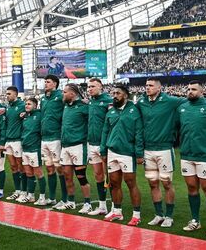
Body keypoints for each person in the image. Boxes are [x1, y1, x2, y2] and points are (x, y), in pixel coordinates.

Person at [135, 78, 186, 228]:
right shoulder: (141, 102)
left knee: (167, 183)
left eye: (150, 86)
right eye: (146, 85)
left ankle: (169, 216)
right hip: (147, 149)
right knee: (152, 183)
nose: (147, 88)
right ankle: (159, 214)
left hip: (164, 148)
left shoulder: (170, 101)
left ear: (159, 88)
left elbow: (188, 101)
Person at [179, 80, 206, 236]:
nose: (190, 91)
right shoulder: (182, 108)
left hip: (205, 155)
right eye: (188, 89)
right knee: (191, 188)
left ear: (201, 91)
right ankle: (195, 220)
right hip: (186, 154)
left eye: (194, 89)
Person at [101, 85, 144, 226]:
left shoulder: (134, 111)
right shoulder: (110, 112)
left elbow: (138, 133)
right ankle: (117, 212)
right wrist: (103, 150)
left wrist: (139, 153)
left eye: (118, 93)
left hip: (127, 152)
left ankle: (136, 215)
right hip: (112, 151)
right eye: (113, 93)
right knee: (114, 183)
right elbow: (105, 132)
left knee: (131, 183)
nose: (114, 95)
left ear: (125, 95)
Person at [55, 83, 91, 211]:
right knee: (67, 175)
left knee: (81, 176)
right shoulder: (66, 106)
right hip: (65, 146)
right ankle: (71, 201)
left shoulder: (84, 107)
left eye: (65, 92)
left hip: (78, 145)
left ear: (73, 94)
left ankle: (88, 204)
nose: (62, 94)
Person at [83, 78, 112, 215]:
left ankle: (115, 207)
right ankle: (102, 206)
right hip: (91, 143)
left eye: (93, 86)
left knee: (109, 176)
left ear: (101, 87)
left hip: (104, 143)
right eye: (88, 87)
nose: (90, 89)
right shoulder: (90, 102)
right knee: (98, 175)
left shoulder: (108, 100)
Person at [38, 75, 65, 206]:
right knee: (49, 168)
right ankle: (53, 197)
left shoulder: (60, 96)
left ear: (55, 84)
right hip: (44, 138)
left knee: (60, 168)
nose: (45, 84)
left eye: (48, 82)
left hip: (56, 137)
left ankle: (65, 199)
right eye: (45, 82)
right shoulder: (43, 99)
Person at [18, 96, 45, 203]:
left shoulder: (39, 115)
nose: (26, 106)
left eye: (29, 104)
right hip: (25, 148)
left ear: (35, 105)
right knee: (28, 173)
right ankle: (31, 195)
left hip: (35, 148)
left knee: (39, 173)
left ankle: (42, 197)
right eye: (26, 104)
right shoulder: (25, 116)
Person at [2, 86, 26, 200]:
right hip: (9, 141)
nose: (7, 96)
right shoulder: (7, 107)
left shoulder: (22, 106)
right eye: (6, 94)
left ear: (15, 94)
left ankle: (24, 191)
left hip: (18, 140)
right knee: (13, 167)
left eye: (9, 94)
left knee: (21, 167)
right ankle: (17, 190)